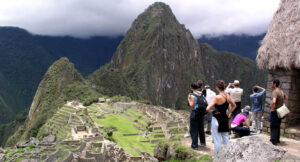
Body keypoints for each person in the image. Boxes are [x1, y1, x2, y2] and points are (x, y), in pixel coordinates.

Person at [206, 80, 236, 155]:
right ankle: (228, 156)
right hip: (224, 118)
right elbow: (234, 105)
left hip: (217, 118)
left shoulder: (217, 97)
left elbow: (207, 108)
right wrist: (229, 113)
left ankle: (217, 157)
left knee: (217, 140)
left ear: (217, 87)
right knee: (226, 138)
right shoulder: (227, 96)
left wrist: (213, 112)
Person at [188, 82, 206, 149]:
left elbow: (191, 105)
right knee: (201, 128)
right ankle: (203, 142)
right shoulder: (201, 93)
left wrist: (189, 100)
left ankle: (195, 145)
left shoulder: (192, 95)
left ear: (191, 87)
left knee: (193, 129)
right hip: (202, 113)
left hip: (195, 112)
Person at [270, 79, 288, 145]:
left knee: (273, 125)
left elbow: (274, 101)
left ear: (274, 84)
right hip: (280, 110)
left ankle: (273, 140)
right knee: (278, 125)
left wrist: (272, 108)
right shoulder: (281, 91)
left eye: (272, 83)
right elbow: (286, 97)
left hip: (275, 110)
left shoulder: (275, 92)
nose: (271, 85)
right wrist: (282, 103)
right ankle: (277, 139)